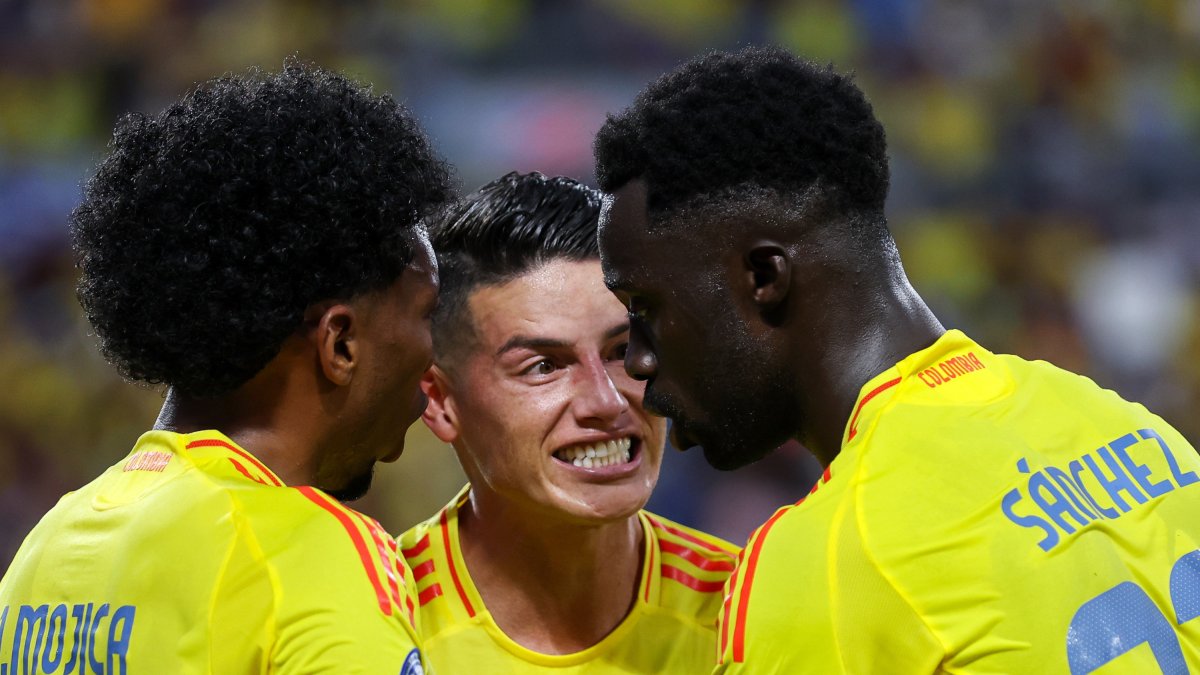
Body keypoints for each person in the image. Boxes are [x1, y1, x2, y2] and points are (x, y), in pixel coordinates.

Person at [593, 45, 1200, 673]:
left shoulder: (828, 563)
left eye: (646, 307)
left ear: (763, 276)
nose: (637, 360)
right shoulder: (1124, 425)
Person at [0, 63, 453, 673]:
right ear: (340, 343)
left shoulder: (46, 549)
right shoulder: (311, 553)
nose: (435, 354)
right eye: (427, 312)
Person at [402, 171, 739, 674]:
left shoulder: (744, 611)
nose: (604, 401)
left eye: (623, 351)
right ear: (439, 401)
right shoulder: (374, 617)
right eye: (544, 366)